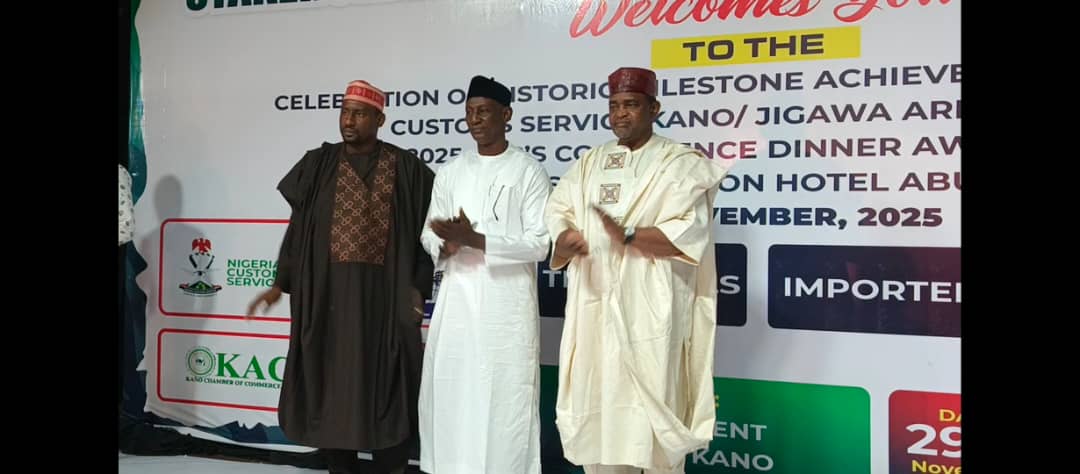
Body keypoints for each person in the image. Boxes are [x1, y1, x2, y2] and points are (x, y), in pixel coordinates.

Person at [543, 67, 733, 474]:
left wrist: (629, 235)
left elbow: (689, 234)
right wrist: (565, 238)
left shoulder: (680, 165)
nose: (620, 114)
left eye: (630, 105)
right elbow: (559, 212)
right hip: (595, 305)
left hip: (652, 309)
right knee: (600, 416)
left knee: (653, 423)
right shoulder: (590, 163)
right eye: (614, 106)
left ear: (654, 108)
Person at [246, 79, 436, 474]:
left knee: (390, 389)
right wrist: (280, 283)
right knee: (330, 388)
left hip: (385, 307)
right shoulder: (318, 165)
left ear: (380, 119)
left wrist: (418, 288)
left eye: (359, 114)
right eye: (345, 112)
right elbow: (298, 230)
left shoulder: (408, 170)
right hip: (326, 302)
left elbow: (425, 235)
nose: (348, 121)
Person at [418, 75, 551, 474]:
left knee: (505, 401)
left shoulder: (528, 171)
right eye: (470, 112)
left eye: (484, 112)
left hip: (505, 310)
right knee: (453, 393)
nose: (475, 120)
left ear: (506, 115)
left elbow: (540, 244)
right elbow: (428, 232)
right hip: (457, 303)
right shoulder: (451, 172)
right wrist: (446, 245)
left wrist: (477, 239)